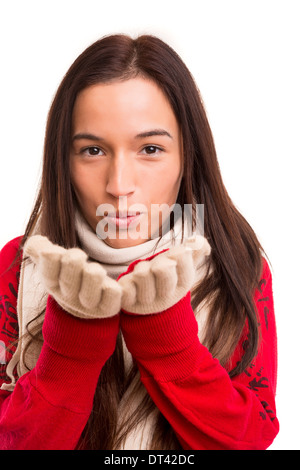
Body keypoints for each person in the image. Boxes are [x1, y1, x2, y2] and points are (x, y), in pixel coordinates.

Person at [0, 33, 279, 450]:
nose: (119, 186)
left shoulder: (237, 265)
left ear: (188, 155)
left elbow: (252, 437)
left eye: (150, 148)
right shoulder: (18, 265)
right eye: (93, 150)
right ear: (64, 159)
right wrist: (70, 351)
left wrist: (169, 342)